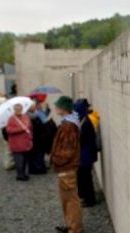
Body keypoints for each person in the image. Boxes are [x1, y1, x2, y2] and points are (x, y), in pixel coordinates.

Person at [51, 96, 83, 233]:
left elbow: (68, 150)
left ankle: (75, 228)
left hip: (67, 167)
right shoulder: (68, 123)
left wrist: (56, 158)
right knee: (67, 200)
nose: (55, 108)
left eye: (57, 106)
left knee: (71, 201)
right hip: (66, 167)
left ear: (63, 108)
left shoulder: (68, 126)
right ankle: (71, 225)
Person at [74, 99, 98, 207]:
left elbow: (82, 140)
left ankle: (90, 199)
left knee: (86, 178)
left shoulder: (86, 123)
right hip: (84, 155)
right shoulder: (84, 121)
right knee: (83, 177)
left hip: (85, 156)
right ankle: (84, 196)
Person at [6, 104, 33, 181]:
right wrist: (20, 129)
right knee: (19, 161)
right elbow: (9, 130)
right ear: (14, 110)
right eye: (17, 109)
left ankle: (24, 173)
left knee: (25, 160)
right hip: (16, 143)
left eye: (20, 109)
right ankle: (20, 175)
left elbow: (30, 128)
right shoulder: (11, 119)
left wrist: (31, 137)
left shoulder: (26, 117)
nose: (18, 111)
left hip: (26, 142)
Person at [27, 104, 47, 175]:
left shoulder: (33, 115)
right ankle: (38, 168)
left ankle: (35, 168)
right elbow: (42, 125)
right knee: (37, 154)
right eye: (33, 106)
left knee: (34, 154)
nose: (34, 107)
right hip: (35, 137)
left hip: (36, 137)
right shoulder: (34, 116)